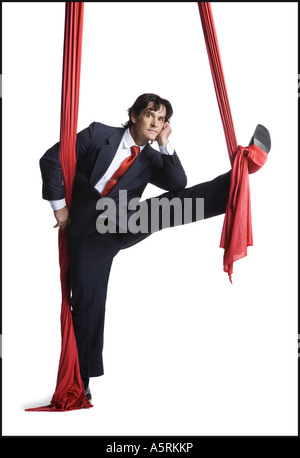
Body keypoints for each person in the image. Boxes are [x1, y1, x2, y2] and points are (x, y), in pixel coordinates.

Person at [40, 93, 232, 401]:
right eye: (150, 116)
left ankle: (231, 186)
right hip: (90, 231)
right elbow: (51, 159)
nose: (155, 123)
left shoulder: (152, 156)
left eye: (161, 119)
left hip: (125, 221)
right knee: (89, 302)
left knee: (170, 205)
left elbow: (177, 184)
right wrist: (59, 207)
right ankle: (82, 379)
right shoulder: (98, 133)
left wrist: (164, 144)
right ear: (134, 116)